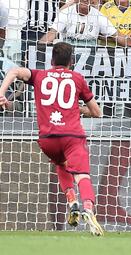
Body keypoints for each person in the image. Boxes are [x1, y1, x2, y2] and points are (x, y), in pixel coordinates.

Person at [0, 42, 104, 236]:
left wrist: (1, 94)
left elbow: (14, 71)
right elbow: (97, 112)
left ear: (51, 60)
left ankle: (72, 201)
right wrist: (78, 109)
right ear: (71, 62)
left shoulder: (40, 75)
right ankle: (88, 209)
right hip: (72, 136)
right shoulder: (77, 78)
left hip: (47, 139)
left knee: (61, 163)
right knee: (82, 175)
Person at [39, 0, 131, 47]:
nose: (85, 1)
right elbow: (52, 34)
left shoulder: (99, 16)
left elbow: (118, 36)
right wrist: (38, 49)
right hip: (68, 55)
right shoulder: (65, 13)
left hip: (91, 56)